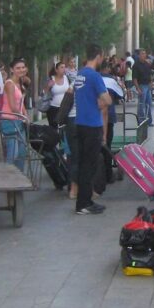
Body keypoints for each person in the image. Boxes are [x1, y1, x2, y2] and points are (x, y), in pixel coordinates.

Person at [73, 44, 111, 215]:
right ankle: (84, 203)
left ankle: (84, 200)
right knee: (90, 165)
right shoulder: (94, 76)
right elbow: (107, 99)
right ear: (99, 56)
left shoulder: (80, 74)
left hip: (80, 123)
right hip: (92, 125)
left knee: (83, 164)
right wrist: (102, 101)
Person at [0, 58, 29, 172]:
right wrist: (23, 116)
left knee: (22, 152)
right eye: (18, 68)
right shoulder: (9, 84)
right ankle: (9, 180)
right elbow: (13, 106)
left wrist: (25, 114)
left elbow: (20, 103)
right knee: (13, 152)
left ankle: (19, 180)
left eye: (23, 67)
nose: (21, 70)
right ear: (12, 69)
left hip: (19, 120)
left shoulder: (20, 83)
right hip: (9, 120)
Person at [43, 61, 72, 127]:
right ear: (56, 70)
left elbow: (71, 90)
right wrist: (48, 86)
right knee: (53, 128)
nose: (64, 69)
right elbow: (44, 93)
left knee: (64, 127)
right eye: (61, 67)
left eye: (65, 67)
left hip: (65, 108)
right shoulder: (51, 79)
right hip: (53, 108)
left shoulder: (67, 78)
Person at [133, 48, 154, 124]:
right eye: (142, 53)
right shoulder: (136, 65)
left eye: (145, 53)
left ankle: (149, 121)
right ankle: (141, 121)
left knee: (149, 104)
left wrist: (151, 82)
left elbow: (150, 74)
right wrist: (138, 88)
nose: (144, 55)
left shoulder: (147, 64)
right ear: (138, 55)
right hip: (141, 85)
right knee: (141, 104)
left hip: (148, 86)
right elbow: (134, 78)